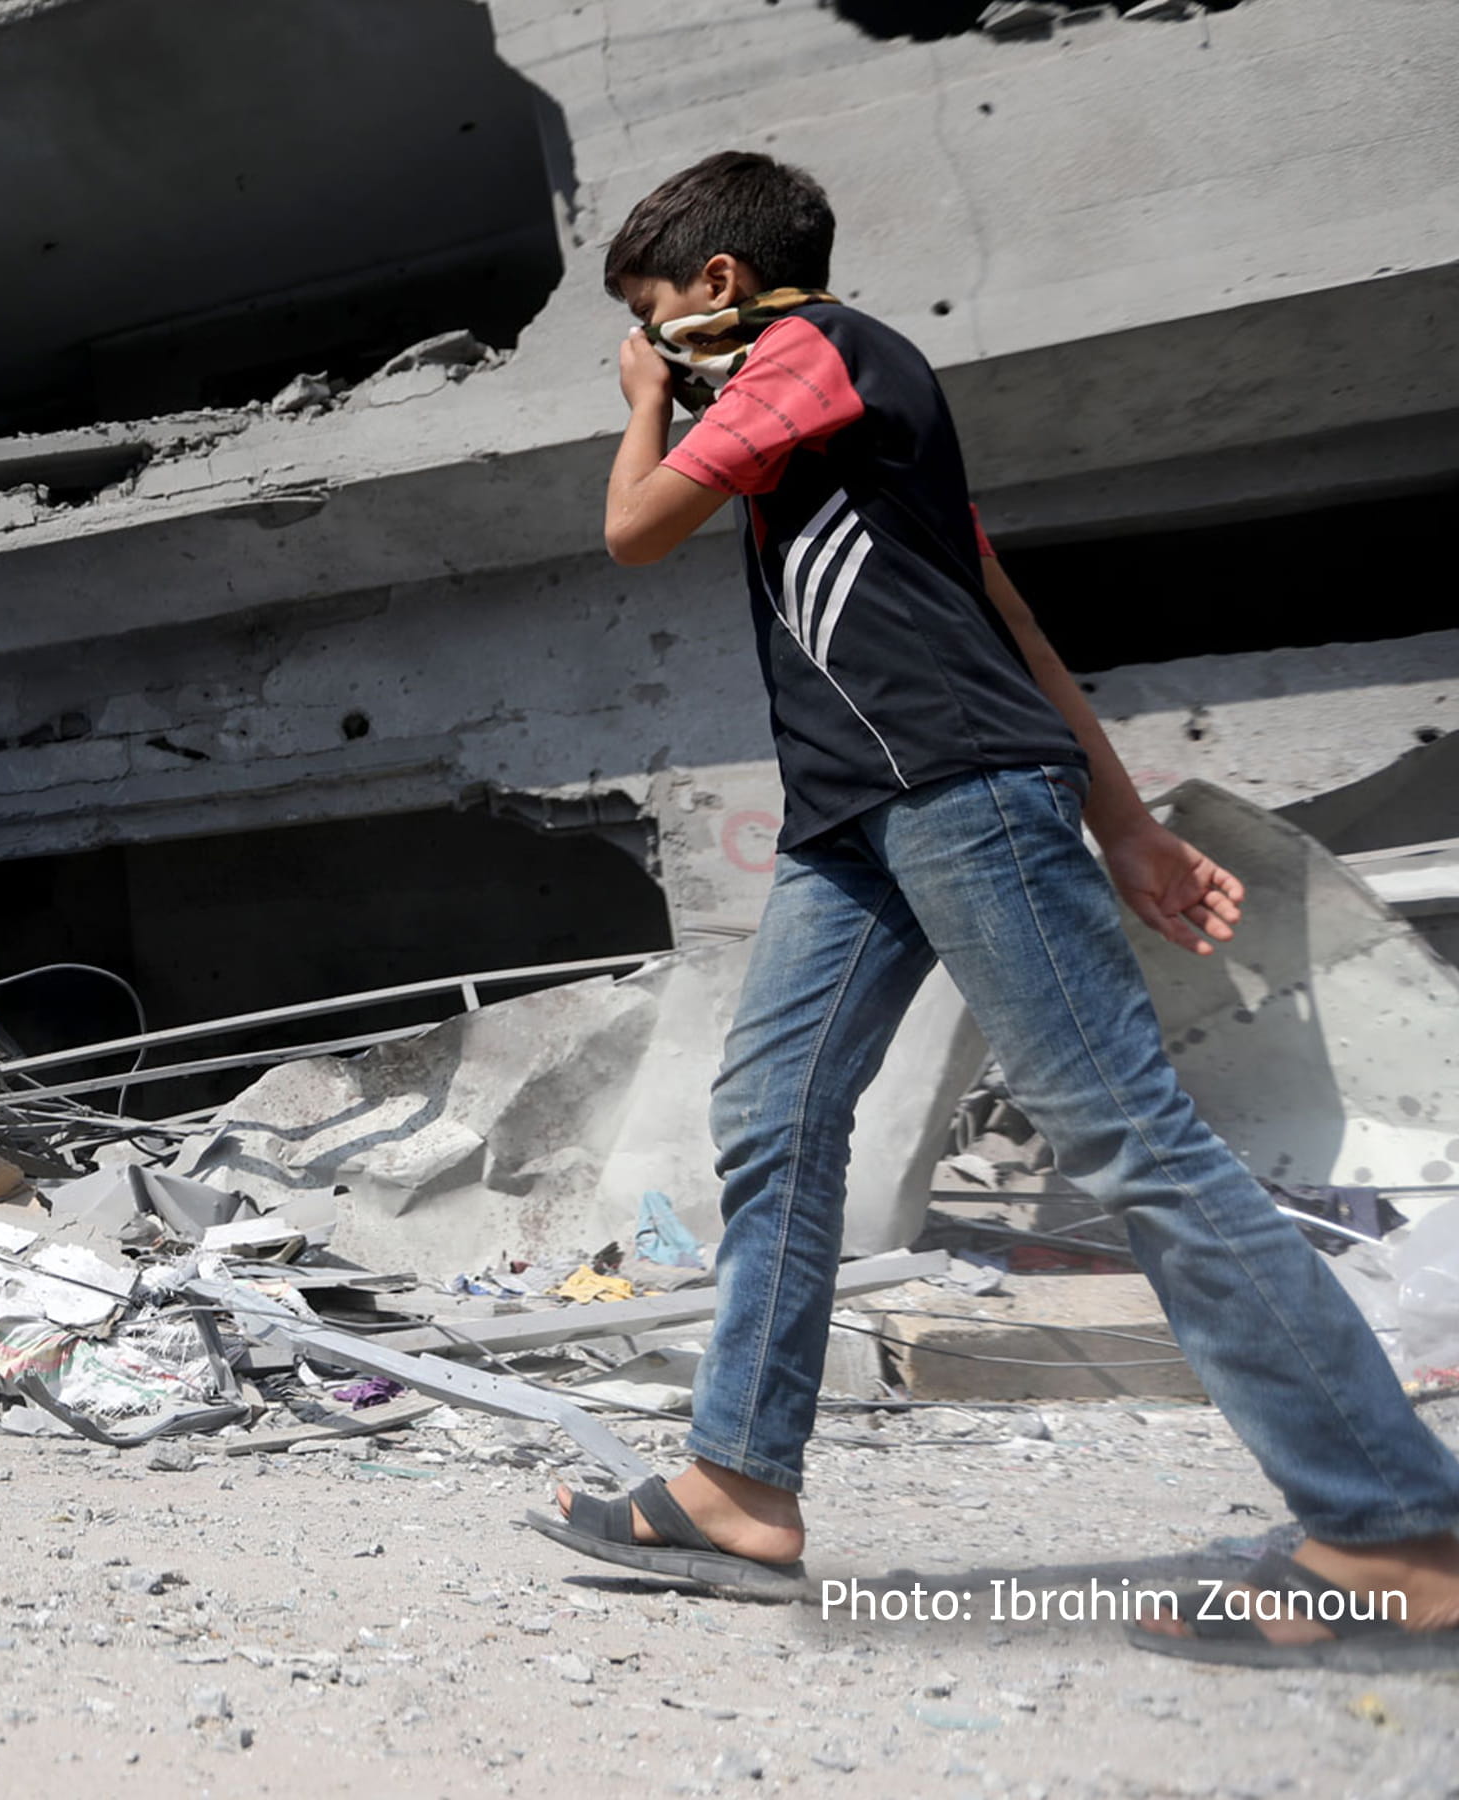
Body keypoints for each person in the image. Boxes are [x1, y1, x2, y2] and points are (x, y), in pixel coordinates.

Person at [535, 149, 1459, 1668]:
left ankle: (1391, 1527)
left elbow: (635, 526)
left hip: (958, 788)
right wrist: (1134, 826)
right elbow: (1002, 610)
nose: (656, 349)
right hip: (855, 824)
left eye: (657, 315)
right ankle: (742, 1486)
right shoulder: (843, 442)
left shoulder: (816, 349)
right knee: (775, 1112)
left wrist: (644, 397)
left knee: (1122, 1129)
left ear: (719, 287)